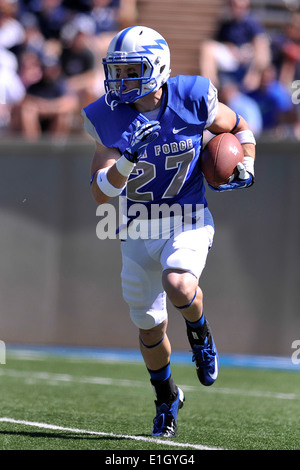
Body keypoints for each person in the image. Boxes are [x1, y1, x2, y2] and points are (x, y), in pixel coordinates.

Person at [82, 26, 256, 438]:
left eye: (130, 69)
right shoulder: (108, 115)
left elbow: (239, 127)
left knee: (178, 283)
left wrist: (247, 163)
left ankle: (200, 335)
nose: (120, 79)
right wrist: (126, 159)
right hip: (136, 227)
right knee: (149, 326)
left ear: (157, 68)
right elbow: (99, 194)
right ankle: (167, 399)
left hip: (188, 215)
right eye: (117, 69)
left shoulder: (193, 96)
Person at [199, 0, 271, 91]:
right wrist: (230, 47)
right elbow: (218, 42)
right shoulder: (226, 23)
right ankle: (209, 87)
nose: (238, 9)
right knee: (207, 47)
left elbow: (260, 43)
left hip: (248, 56)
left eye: (241, 6)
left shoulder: (252, 22)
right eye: (235, 5)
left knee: (261, 45)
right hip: (232, 56)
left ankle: (254, 77)